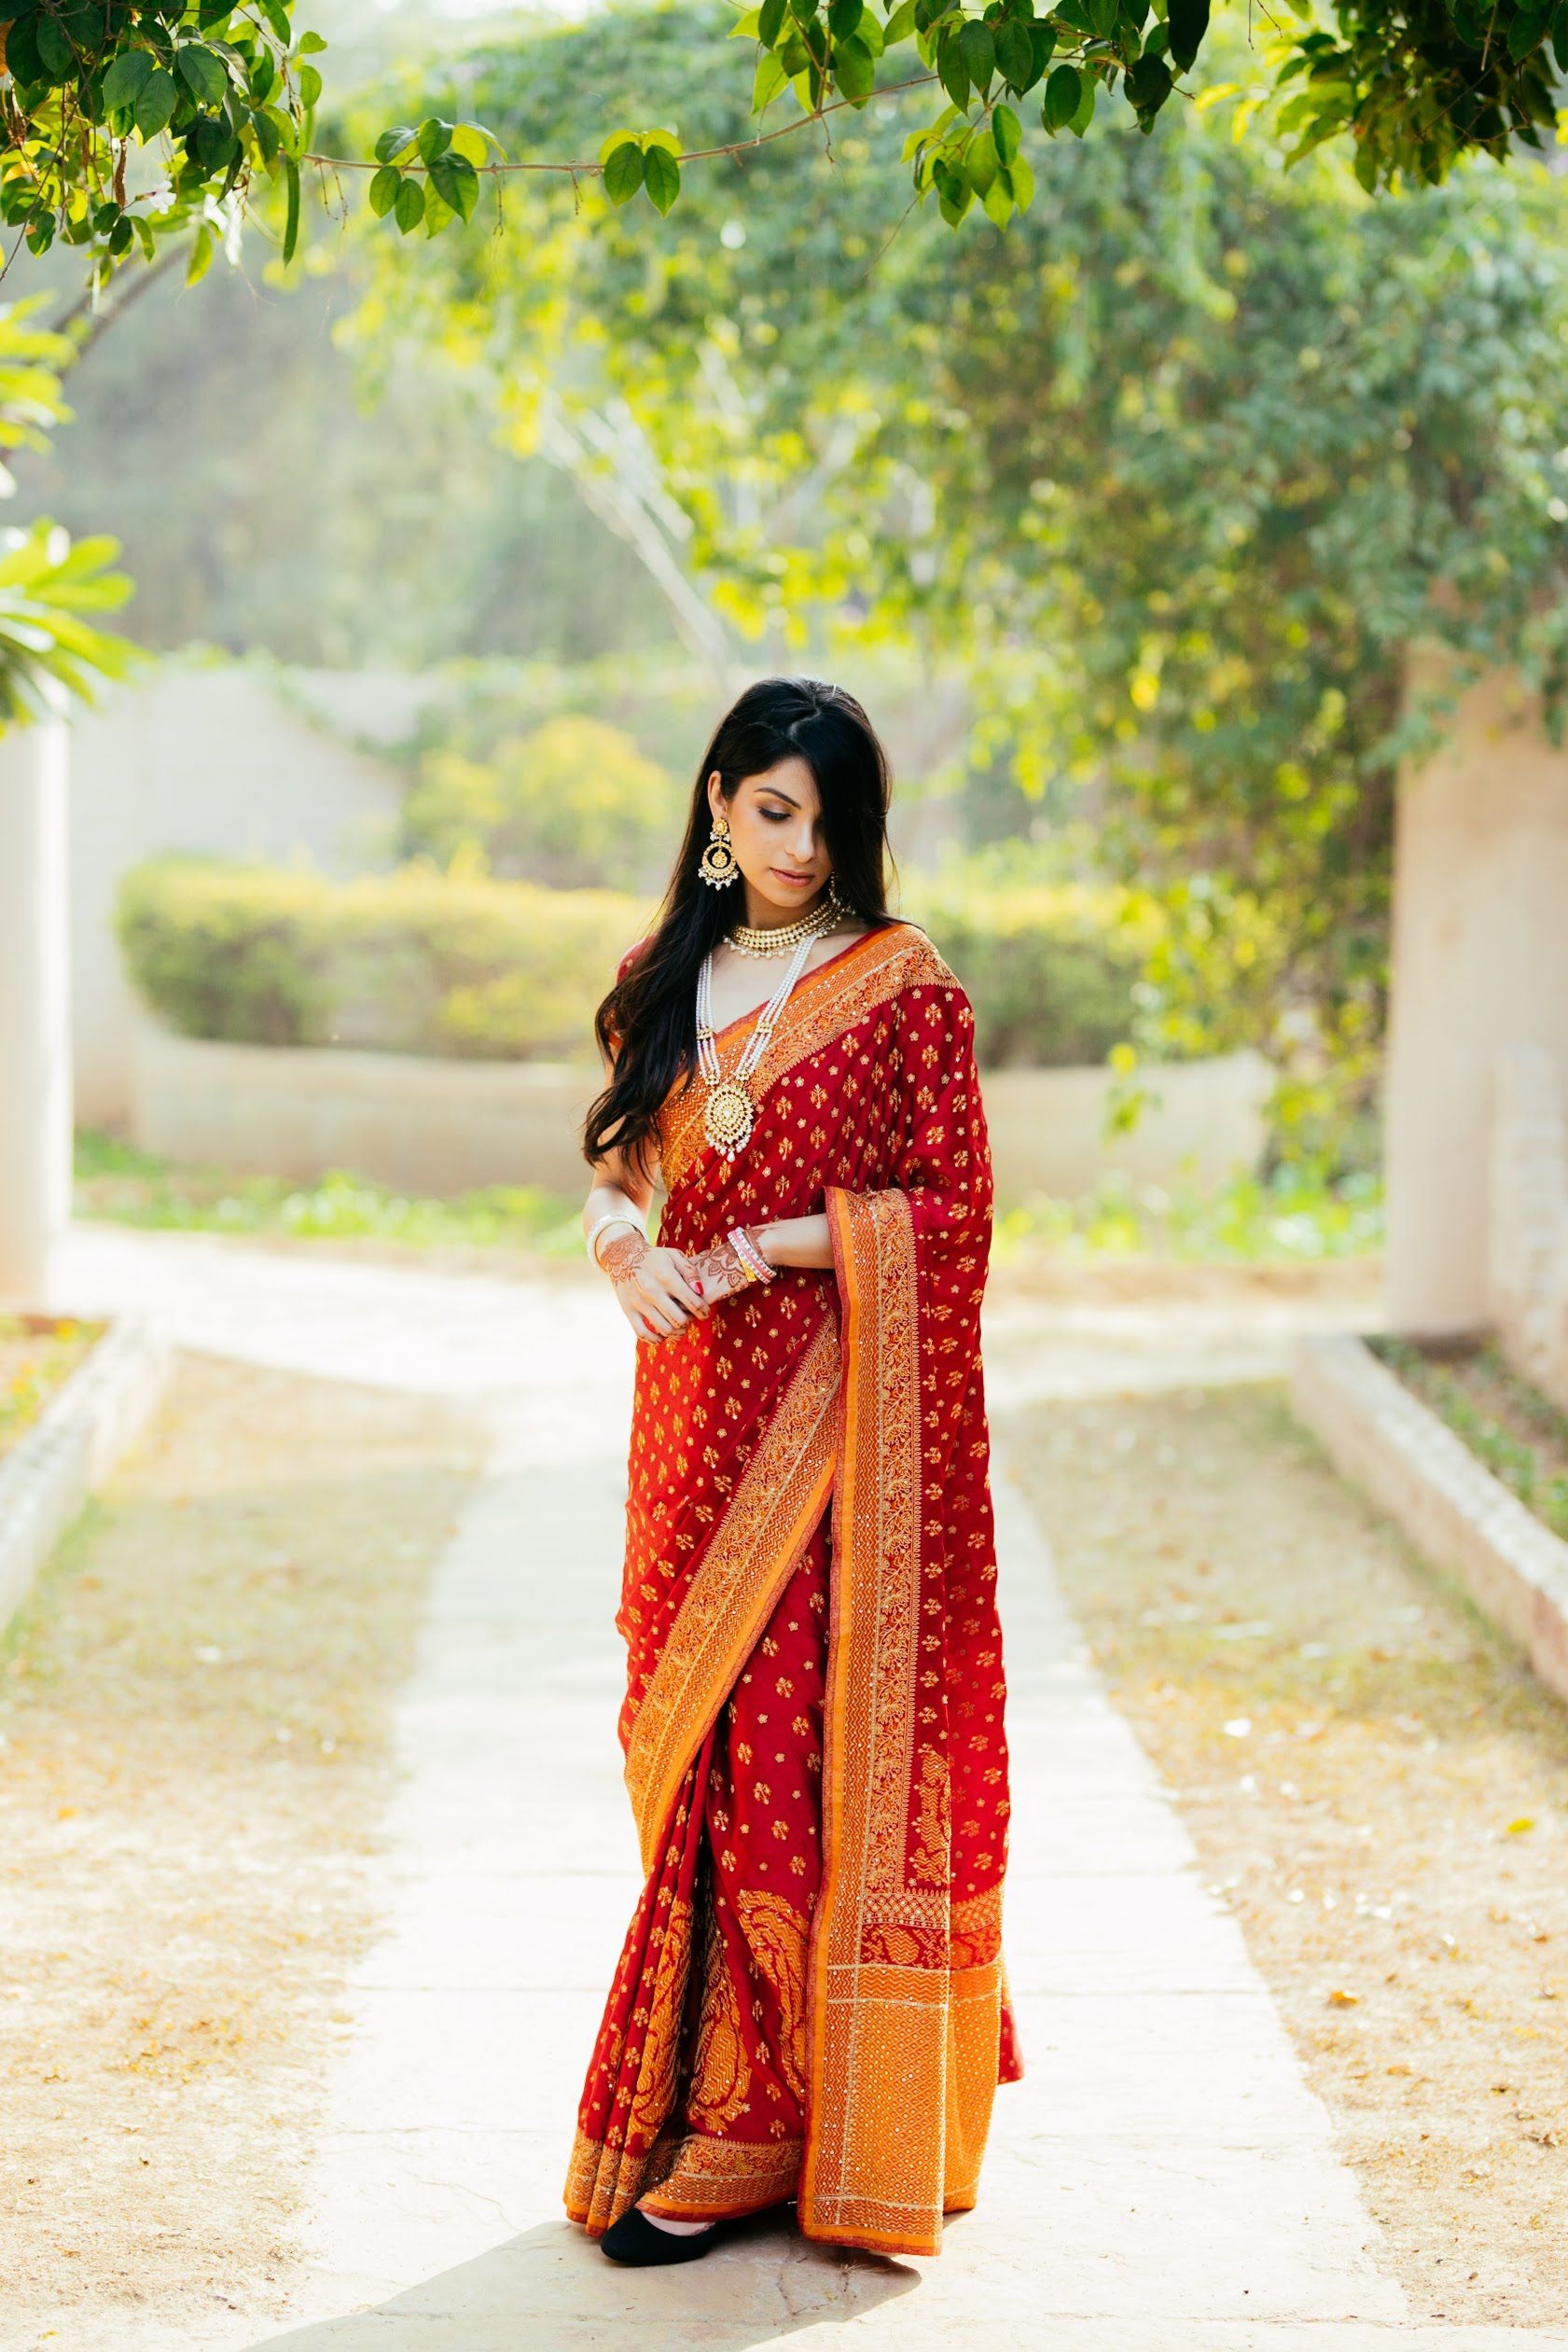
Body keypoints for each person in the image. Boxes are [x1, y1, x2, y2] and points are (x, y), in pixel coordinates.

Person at [567, 675, 1018, 2267]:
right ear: (714, 801)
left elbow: (947, 1213)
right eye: (769, 810)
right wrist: (625, 1244)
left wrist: (755, 1246)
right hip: (690, 1421)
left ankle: (760, 2130)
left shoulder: (902, 988)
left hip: (837, 1431)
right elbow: (623, 1158)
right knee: (689, 1746)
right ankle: (708, 2091)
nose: (796, 846)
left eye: (826, 821)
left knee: (785, 1735)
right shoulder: (658, 970)